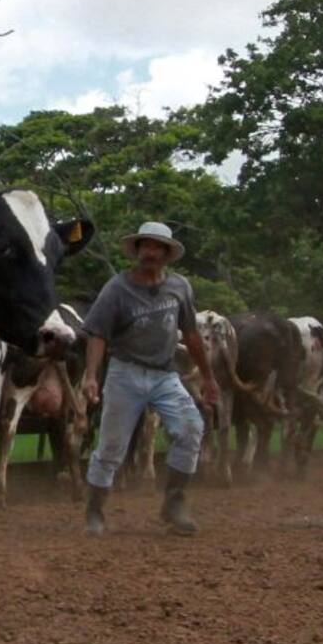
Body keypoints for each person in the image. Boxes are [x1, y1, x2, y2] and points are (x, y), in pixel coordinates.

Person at [80, 220, 218, 536]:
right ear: (137, 251)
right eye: (146, 246)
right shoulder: (117, 288)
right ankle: (95, 510)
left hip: (165, 373)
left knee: (191, 429)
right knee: (112, 447)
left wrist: (209, 378)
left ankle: (174, 505)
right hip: (125, 372)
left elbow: (192, 334)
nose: (151, 253)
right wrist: (90, 376)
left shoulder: (180, 287)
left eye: (158, 248)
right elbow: (98, 334)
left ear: (167, 254)